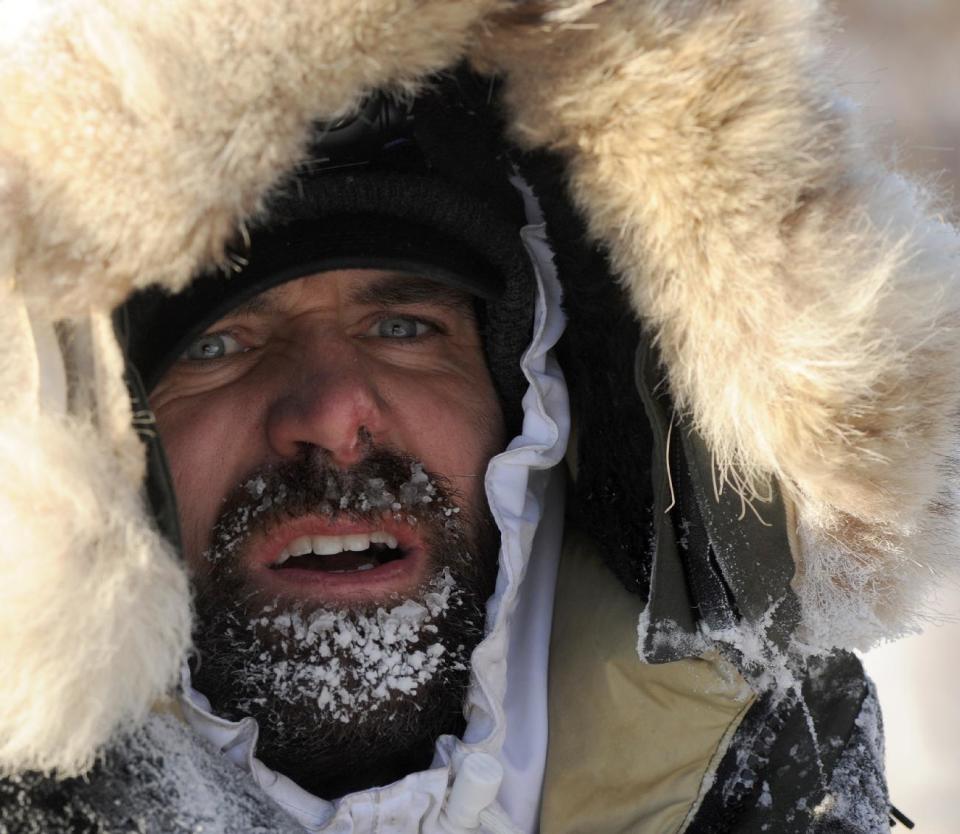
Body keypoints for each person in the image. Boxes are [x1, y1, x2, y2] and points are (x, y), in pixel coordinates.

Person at [1, 2, 957, 833]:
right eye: (217, 345)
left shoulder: (764, 783)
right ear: (87, 449)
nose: (334, 416)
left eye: (403, 326)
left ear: (533, 405)